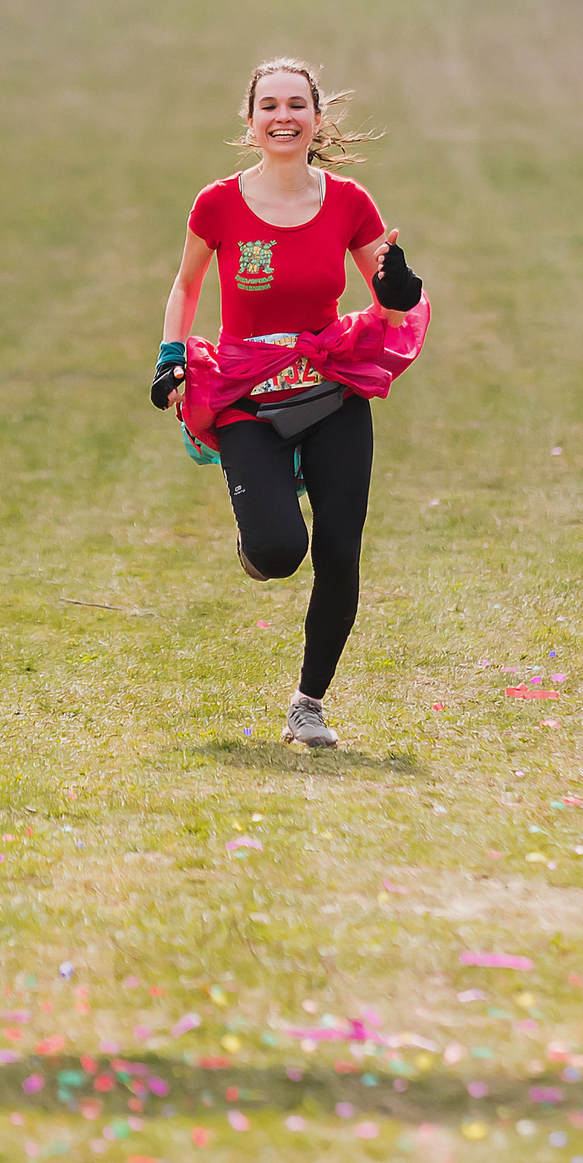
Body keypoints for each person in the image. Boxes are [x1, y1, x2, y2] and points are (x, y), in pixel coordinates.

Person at [153, 58, 428, 749]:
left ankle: (309, 703)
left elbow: (390, 294)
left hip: (330, 385)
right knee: (279, 551)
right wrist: (170, 354)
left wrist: (399, 287)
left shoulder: (350, 202)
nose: (284, 117)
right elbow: (186, 286)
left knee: (339, 548)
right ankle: (264, 519)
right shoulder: (216, 204)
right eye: (269, 106)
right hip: (247, 389)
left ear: (317, 118)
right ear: (250, 123)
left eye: (296, 105)